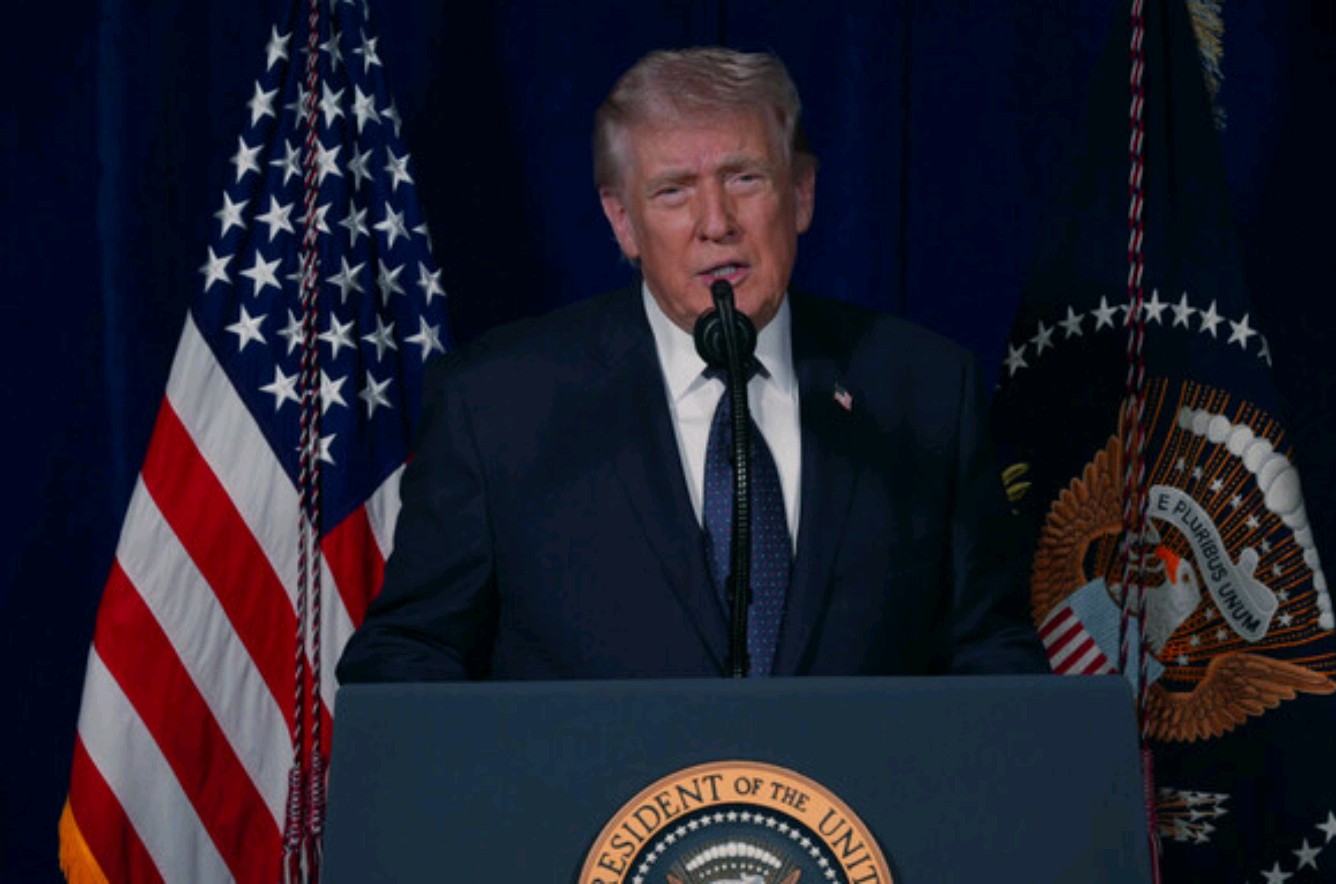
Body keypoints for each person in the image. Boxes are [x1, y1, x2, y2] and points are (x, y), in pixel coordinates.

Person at [336, 47, 1048, 682]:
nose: (716, 223)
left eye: (745, 178)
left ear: (801, 194)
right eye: (673, 190)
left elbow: (991, 652)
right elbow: (408, 657)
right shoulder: (499, 406)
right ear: (623, 222)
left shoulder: (923, 389)